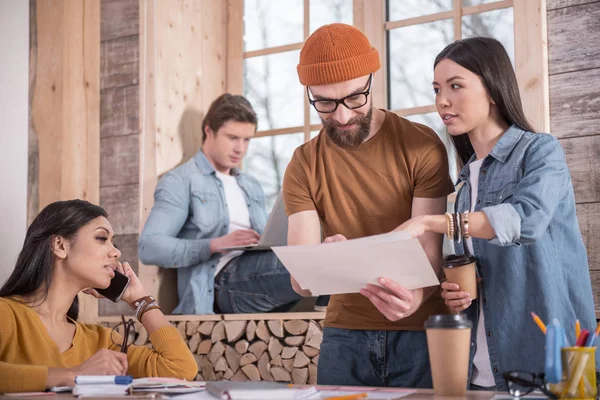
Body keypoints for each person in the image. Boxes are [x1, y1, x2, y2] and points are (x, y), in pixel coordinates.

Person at [397, 37, 597, 390]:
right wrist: (463, 292)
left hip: (549, 370)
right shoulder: (464, 188)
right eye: (437, 89)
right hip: (480, 372)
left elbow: (526, 219)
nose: (442, 101)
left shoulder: (540, 152)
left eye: (456, 86)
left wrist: (432, 222)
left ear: (493, 89)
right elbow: (484, 273)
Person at [282, 23, 455, 388]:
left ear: (372, 81)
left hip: (421, 331)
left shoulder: (421, 146)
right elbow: (299, 280)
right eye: (325, 104)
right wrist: (318, 264)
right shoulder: (303, 163)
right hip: (344, 336)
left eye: (355, 98)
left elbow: (428, 253)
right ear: (310, 94)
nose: (342, 116)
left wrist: (416, 299)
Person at [0, 200, 197, 393]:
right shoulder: (7, 314)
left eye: (113, 242)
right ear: (60, 245)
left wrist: (138, 299)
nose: (117, 252)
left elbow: (181, 369)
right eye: (102, 238)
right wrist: (72, 375)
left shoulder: (100, 341)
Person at [138, 93, 303, 314]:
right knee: (310, 266)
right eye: (232, 137)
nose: (240, 149)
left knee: (320, 257)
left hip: (257, 271)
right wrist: (214, 244)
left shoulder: (251, 185)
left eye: (247, 140)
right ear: (209, 131)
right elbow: (149, 247)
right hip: (217, 284)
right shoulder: (181, 180)